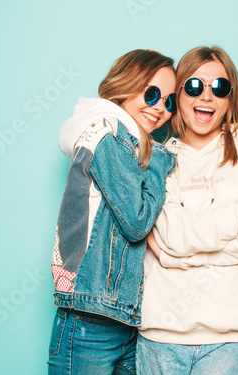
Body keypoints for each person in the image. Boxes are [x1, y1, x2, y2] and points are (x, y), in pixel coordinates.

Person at [137, 46, 238, 375]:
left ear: (231, 98)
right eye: (194, 86)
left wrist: (176, 256)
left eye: (219, 87)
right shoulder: (159, 158)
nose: (206, 96)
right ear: (177, 95)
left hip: (232, 338)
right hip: (160, 336)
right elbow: (174, 235)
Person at [47, 49, 177, 375]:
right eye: (152, 93)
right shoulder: (109, 132)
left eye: (169, 101)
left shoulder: (126, 139)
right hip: (93, 314)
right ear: (126, 85)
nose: (160, 107)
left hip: (119, 314)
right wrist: (159, 165)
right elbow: (135, 222)